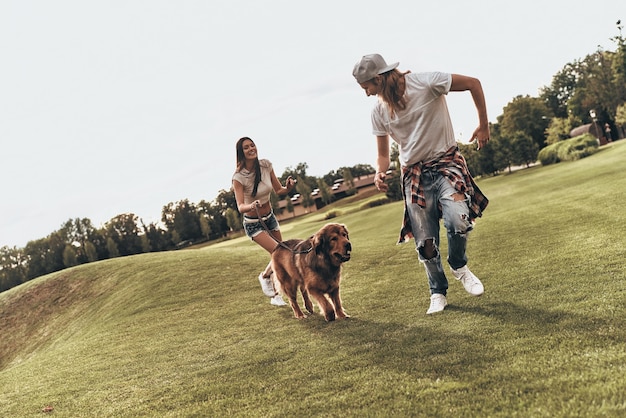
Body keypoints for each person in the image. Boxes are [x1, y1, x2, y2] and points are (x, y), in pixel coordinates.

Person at [352, 54, 490, 314]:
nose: (367, 94)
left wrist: (483, 125)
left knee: (459, 219)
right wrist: (379, 172)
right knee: (425, 244)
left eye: (367, 87)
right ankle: (437, 291)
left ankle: (458, 265)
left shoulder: (427, 83)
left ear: (378, 79)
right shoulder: (379, 111)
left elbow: (474, 83)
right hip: (415, 175)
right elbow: (383, 155)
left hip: (446, 164)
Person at [232, 136, 297, 306]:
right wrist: (250, 205)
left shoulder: (266, 165)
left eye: (252, 145)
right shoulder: (238, 177)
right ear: (241, 152)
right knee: (280, 252)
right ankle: (265, 276)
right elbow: (240, 206)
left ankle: (276, 296)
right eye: (246, 147)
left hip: (270, 218)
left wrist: (288, 188)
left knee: (278, 255)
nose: (251, 149)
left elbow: (278, 190)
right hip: (253, 223)